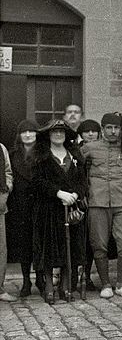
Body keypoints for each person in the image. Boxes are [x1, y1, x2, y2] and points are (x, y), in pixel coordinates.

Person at [82, 113, 122, 299]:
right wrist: (83, 194)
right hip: (97, 202)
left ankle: (121, 283)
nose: (113, 131)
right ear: (102, 129)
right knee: (99, 243)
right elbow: (77, 172)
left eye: (116, 128)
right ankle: (105, 284)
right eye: (108, 127)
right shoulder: (89, 148)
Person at [31, 120, 88, 303]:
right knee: (49, 246)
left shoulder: (75, 155)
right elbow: (37, 181)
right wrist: (58, 193)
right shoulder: (41, 156)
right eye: (54, 132)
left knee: (69, 246)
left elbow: (82, 181)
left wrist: (75, 194)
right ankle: (49, 286)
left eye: (61, 132)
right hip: (48, 209)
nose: (58, 135)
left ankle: (65, 286)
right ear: (48, 134)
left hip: (70, 209)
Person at [6, 120, 39, 298]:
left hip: (40, 204)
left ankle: (41, 278)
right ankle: (26, 281)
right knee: (24, 244)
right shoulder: (12, 155)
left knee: (40, 243)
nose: (28, 135)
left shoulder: (43, 154)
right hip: (20, 205)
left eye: (31, 131)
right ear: (19, 135)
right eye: (24, 132)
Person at [0, 140, 14, 302]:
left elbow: (7, 172)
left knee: (0, 249)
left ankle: (0, 288)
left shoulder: (1, 148)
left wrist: (5, 193)